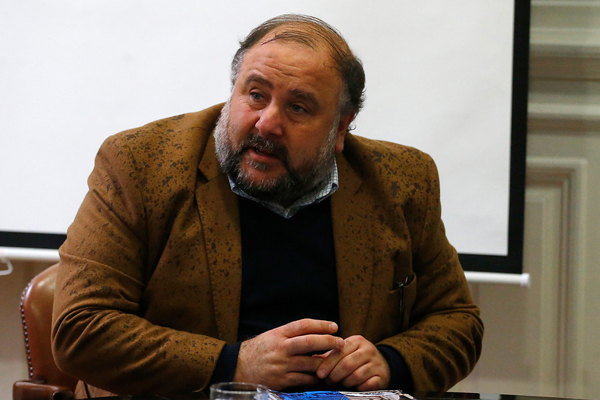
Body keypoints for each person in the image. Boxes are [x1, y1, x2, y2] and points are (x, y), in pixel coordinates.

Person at [51, 14, 483, 398]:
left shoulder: (401, 180)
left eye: (298, 107)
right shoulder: (140, 164)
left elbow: (457, 321)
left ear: (340, 128)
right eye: (255, 95)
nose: (267, 123)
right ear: (233, 91)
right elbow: (81, 328)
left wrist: (391, 361)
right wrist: (232, 365)